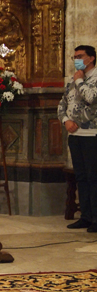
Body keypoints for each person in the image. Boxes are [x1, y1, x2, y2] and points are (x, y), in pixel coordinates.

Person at [58, 45, 97, 233]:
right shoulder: (72, 80)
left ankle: (96, 218)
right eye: (74, 57)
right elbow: (62, 105)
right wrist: (66, 121)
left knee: (93, 177)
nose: (76, 60)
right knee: (81, 177)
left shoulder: (93, 78)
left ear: (91, 58)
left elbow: (91, 98)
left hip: (92, 135)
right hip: (75, 136)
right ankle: (86, 216)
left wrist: (80, 81)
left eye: (80, 56)